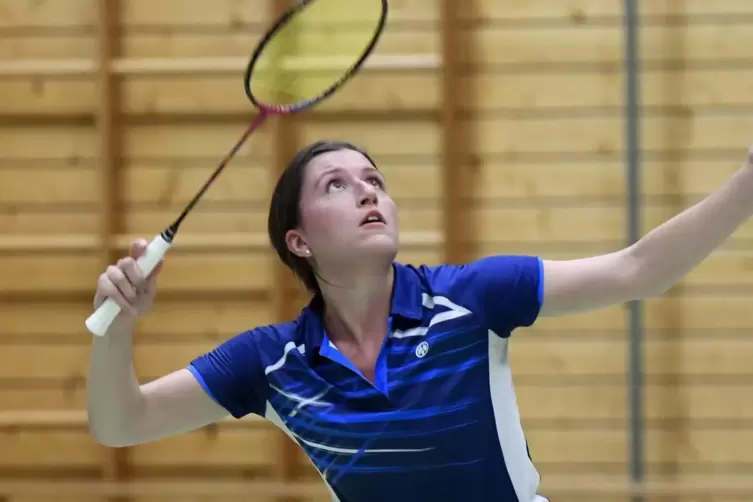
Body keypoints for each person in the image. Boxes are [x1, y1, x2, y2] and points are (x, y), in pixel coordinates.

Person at [87, 139, 753, 502]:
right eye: (336, 185)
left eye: (373, 178)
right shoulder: (272, 364)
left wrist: (748, 178)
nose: (367, 190)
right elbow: (121, 423)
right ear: (299, 242)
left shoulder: (471, 298)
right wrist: (116, 332)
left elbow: (639, 270)